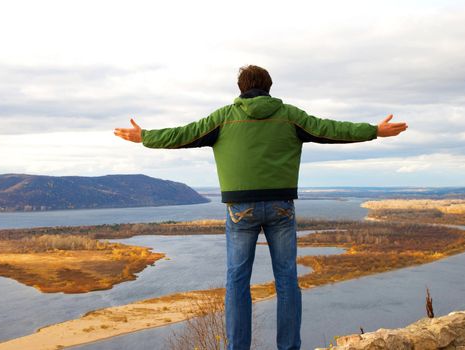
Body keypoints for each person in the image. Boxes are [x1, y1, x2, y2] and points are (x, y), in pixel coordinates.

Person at [114, 65, 407, 350]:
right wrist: (374, 131)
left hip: (240, 209)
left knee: (237, 280)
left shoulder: (224, 118)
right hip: (281, 206)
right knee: (287, 279)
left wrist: (145, 137)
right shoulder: (290, 116)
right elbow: (330, 129)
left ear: (241, 88)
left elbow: (183, 134)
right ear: (268, 88)